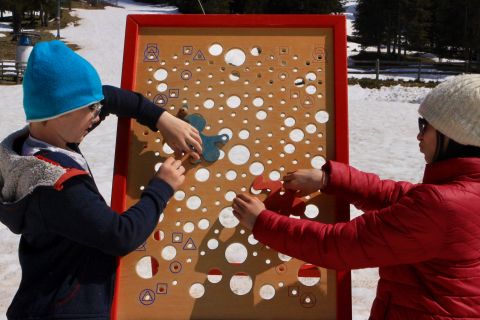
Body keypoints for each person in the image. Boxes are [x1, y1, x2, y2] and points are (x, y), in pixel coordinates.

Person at [233, 74, 480, 319]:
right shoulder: (463, 194)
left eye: (425, 126)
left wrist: (262, 222)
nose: (419, 135)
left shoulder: (443, 206)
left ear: (454, 133)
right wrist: (331, 179)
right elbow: (397, 196)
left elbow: (339, 245)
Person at [0, 40, 202, 319]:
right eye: (91, 109)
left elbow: (107, 97)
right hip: (65, 310)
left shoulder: (41, 140)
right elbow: (119, 235)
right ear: (60, 114)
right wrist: (161, 187)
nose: (97, 114)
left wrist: (161, 119)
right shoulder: (57, 185)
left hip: (45, 295)